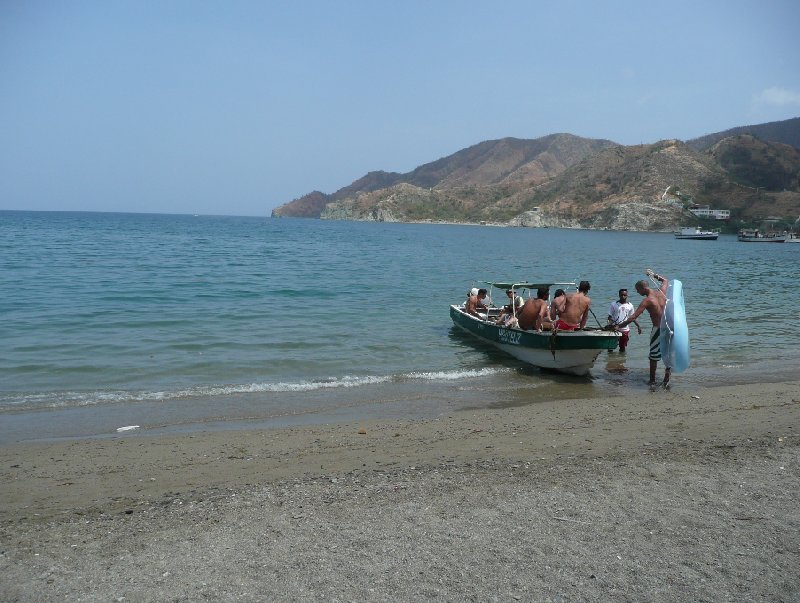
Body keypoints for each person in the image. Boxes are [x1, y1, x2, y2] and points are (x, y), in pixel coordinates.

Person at [617, 271, 670, 386]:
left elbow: (633, 316)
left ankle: (652, 380)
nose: (637, 292)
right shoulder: (662, 292)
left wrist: (619, 326)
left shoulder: (647, 300)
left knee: (653, 356)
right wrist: (653, 275)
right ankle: (666, 379)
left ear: (642, 288)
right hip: (669, 328)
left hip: (658, 330)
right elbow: (665, 280)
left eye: (637, 290)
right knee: (667, 353)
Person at [607, 288, 641, 352]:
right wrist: (610, 325)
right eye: (621, 295)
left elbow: (632, 318)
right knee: (610, 348)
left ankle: (621, 361)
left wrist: (638, 326)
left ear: (627, 295)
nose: (623, 296)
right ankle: (610, 361)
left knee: (622, 348)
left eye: (624, 295)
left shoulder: (630, 305)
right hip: (614, 329)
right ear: (619, 295)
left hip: (625, 330)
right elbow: (609, 317)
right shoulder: (614, 304)